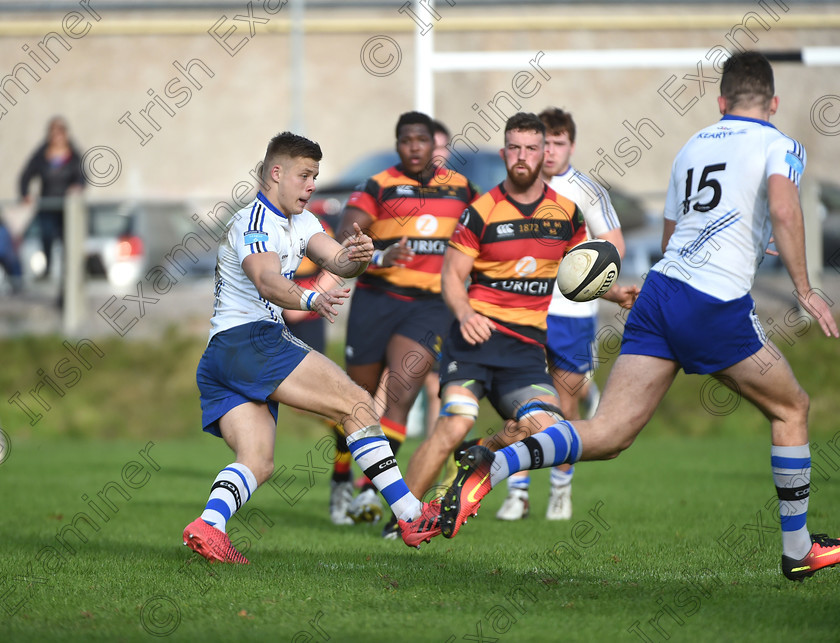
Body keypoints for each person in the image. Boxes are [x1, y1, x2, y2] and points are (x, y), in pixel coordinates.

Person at [441, 52, 840, 583]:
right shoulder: (779, 143)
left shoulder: (692, 147)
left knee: (609, 432)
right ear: (773, 103)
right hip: (712, 303)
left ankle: (497, 464)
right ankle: (798, 551)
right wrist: (805, 288)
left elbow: (675, 238)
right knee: (792, 408)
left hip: (660, 292)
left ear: (721, 103)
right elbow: (787, 208)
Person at [184, 131, 440, 562]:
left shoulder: (301, 222)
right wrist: (310, 298)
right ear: (276, 173)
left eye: (315, 176)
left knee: (258, 461)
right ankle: (411, 515)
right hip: (250, 341)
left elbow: (337, 260)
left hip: (222, 357)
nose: (311, 185)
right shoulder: (253, 222)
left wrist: (362, 255)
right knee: (357, 405)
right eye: (304, 175)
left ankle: (208, 526)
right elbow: (266, 279)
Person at [401, 112, 636, 526]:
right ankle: (403, 517)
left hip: (524, 350)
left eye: (531, 148)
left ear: (544, 153)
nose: (522, 156)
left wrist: (616, 292)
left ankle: (481, 454)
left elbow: (578, 270)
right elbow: (451, 277)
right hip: (473, 343)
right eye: (515, 148)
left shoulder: (566, 212)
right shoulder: (481, 210)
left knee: (546, 428)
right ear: (504, 152)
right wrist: (464, 311)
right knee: (453, 425)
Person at [330, 111, 479, 537]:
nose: (414, 146)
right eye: (406, 140)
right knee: (355, 400)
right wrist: (378, 252)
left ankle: (368, 489)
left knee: (401, 388)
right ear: (398, 145)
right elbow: (347, 230)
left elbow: (487, 231)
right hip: (377, 300)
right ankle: (341, 476)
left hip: (430, 306)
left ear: (434, 145)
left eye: (421, 139)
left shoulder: (463, 190)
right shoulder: (378, 185)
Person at [495, 108, 627, 522]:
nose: (548, 151)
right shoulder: (512, 192)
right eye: (543, 143)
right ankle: (517, 493)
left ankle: (560, 490)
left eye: (557, 143)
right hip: (522, 310)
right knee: (520, 401)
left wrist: (593, 282)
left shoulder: (585, 190)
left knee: (565, 403)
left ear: (571, 145)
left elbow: (614, 247)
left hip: (572, 314)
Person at [19, 116, 85, 280]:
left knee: (68, 242)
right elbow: (26, 176)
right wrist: (25, 194)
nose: (57, 137)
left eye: (60, 133)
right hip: (48, 206)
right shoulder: (42, 154)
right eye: (53, 133)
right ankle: (47, 268)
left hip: (67, 208)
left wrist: (77, 187)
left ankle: (68, 274)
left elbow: (82, 177)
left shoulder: (74, 155)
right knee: (47, 235)